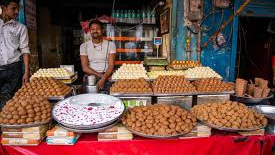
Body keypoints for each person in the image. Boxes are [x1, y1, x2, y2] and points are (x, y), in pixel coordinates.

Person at [0, 0, 30, 108]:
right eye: (13, 8)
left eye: (18, 9)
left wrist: (26, 71)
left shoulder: (21, 28)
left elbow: (25, 50)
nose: (17, 11)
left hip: (14, 70)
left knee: (13, 102)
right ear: (4, 7)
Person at [80, 20, 116, 93]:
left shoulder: (111, 45)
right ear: (90, 31)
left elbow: (111, 65)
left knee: (107, 100)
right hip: (90, 77)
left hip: (107, 75)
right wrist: (100, 76)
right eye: (92, 29)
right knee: (89, 101)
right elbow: (85, 67)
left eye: (97, 29)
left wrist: (104, 78)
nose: (95, 31)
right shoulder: (84, 46)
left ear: (102, 31)